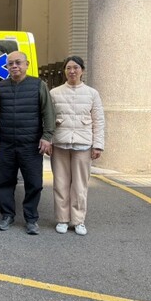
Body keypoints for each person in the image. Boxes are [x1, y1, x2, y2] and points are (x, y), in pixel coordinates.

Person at [0, 51, 55, 235]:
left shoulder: (38, 85)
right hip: (7, 144)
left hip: (31, 145)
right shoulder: (1, 87)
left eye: (18, 62)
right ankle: (7, 215)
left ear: (26, 64)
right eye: (10, 64)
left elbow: (48, 113)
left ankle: (31, 219)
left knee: (34, 183)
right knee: (5, 182)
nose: (14, 66)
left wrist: (47, 137)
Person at [50, 56, 104, 236]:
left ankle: (78, 220)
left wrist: (98, 145)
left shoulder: (92, 93)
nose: (72, 71)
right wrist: (48, 141)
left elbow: (98, 121)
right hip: (60, 143)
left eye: (75, 68)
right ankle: (62, 219)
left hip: (83, 144)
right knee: (60, 183)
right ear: (64, 71)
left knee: (80, 185)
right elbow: (48, 120)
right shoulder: (54, 93)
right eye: (68, 68)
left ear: (82, 70)